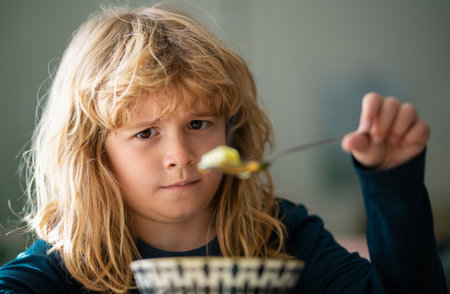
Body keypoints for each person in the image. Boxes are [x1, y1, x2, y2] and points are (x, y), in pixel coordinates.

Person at [0, 4, 446, 294]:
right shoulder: (59, 269)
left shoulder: (283, 235)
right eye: (145, 133)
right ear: (93, 151)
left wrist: (394, 185)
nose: (181, 154)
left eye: (198, 123)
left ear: (230, 130)